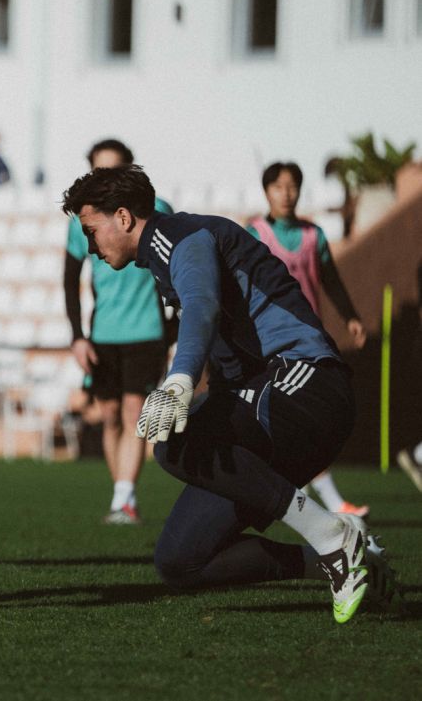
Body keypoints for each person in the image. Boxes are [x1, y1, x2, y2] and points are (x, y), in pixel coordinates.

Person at [62, 165, 402, 623]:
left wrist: (180, 380)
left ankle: (333, 539)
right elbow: (223, 348)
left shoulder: (180, 236)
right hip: (269, 397)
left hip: (308, 383)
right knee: (181, 561)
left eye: (91, 230)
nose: (90, 247)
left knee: (175, 444)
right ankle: (337, 557)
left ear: (122, 217)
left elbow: (203, 304)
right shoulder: (163, 259)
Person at [247, 162, 369, 517]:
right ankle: (305, 501)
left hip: (309, 343)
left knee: (307, 422)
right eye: (278, 186)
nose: (286, 194)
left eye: (292, 186)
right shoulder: (254, 234)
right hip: (267, 343)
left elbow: (331, 280)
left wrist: (351, 317)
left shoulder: (314, 236)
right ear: (266, 191)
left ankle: (319, 502)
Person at [64, 139, 172, 524]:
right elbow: (69, 279)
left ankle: (125, 494)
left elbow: (172, 276)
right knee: (109, 415)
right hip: (104, 332)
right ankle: (121, 494)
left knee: (133, 412)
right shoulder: (84, 220)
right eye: (97, 170)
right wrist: (77, 336)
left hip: (146, 328)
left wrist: (174, 335)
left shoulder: (158, 213)